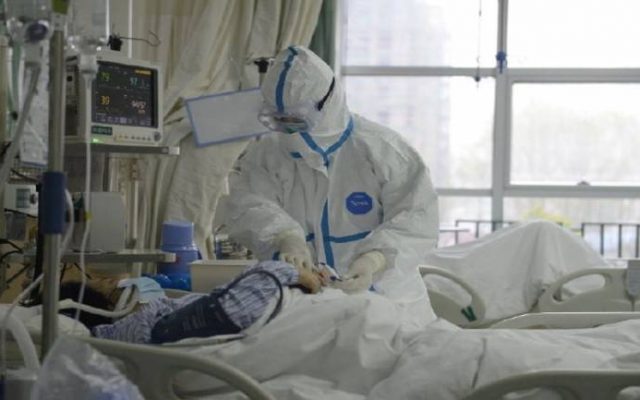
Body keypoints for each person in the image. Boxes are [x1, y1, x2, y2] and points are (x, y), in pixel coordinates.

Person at [226, 46, 439, 327]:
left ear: (327, 105)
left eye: (297, 120)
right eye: (280, 121)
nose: (290, 132)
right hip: (305, 309)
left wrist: (375, 259)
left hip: (393, 307)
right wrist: (285, 238)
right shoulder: (266, 156)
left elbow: (417, 218)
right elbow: (250, 204)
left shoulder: (384, 151)